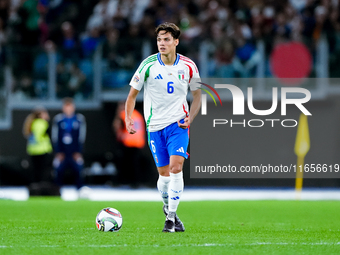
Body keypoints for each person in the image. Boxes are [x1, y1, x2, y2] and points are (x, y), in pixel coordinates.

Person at [125, 22, 201, 232]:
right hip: (155, 127)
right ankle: (169, 208)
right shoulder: (148, 64)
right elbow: (132, 95)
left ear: (176, 41)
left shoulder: (188, 66)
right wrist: (128, 118)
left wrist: (190, 118)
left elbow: (197, 96)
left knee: (176, 169)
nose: (162, 43)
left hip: (178, 125)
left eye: (166, 39)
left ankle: (171, 218)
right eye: (159, 39)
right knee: (164, 175)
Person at [52, 98, 86, 189]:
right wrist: (58, 152)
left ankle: (80, 189)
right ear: (63, 108)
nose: (68, 109)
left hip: (74, 151)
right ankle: (57, 190)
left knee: (78, 169)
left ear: (73, 108)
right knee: (58, 170)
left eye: (70, 107)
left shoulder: (79, 119)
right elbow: (55, 137)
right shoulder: (58, 120)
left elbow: (81, 137)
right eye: (66, 107)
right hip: (62, 152)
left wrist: (78, 152)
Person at [113, 101, 146, 187]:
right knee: (135, 163)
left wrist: (118, 114)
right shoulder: (137, 114)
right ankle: (136, 182)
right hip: (138, 141)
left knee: (125, 163)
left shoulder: (124, 114)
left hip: (128, 141)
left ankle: (122, 181)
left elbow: (116, 127)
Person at [23, 106, 53, 183]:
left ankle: (35, 188)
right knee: (43, 172)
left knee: (35, 171)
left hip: (33, 151)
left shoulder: (32, 123)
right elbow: (39, 137)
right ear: (40, 115)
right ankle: (42, 188)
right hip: (42, 150)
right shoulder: (42, 123)